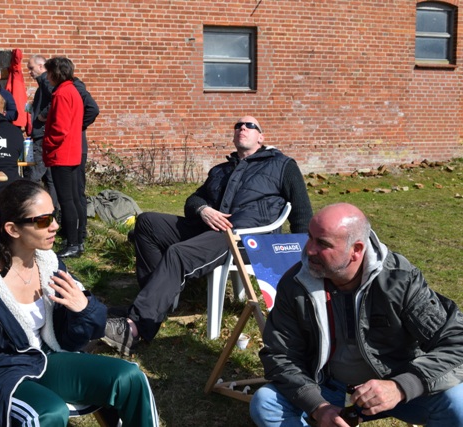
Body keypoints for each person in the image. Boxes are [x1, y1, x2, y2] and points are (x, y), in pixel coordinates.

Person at [0, 179, 159, 427]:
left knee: (129, 377)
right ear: (13, 229)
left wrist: (85, 310)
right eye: (43, 220)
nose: (55, 225)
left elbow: (77, 338)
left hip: (45, 359)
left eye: (54, 215)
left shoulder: (49, 265)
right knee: (48, 413)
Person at [102, 115, 313, 355]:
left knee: (178, 253)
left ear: (261, 137)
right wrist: (203, 209)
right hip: (209, 230)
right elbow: (194, 199)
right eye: (238, 125)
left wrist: (304, 261)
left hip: (244, 238)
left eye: (250, 125)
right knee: (147, 222)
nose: (242, 128)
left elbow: (302, 213)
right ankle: (155, 301)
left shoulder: (282, 165)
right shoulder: (221, 170)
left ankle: (135, 328)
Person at [249, 203, 463, 427]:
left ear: (356, 250)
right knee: (266, 403)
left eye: (323, 243)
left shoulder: (400, 281)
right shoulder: (295, 284)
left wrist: (401, 386)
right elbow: (281, 355)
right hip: (326, 389)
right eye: (310, 237)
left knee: (459, 402)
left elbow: (457, 343)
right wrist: (317, 407)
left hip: (395, 388)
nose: (309, 250)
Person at [42, 56, 85, 258]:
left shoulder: (61, 93)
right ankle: (78, 240)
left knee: (66, 200)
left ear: (55, 73)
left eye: (49, 72)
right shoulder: (72, 90)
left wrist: (48, 144)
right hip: (72, 152)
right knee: (74, 199)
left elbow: (59, 128)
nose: (47, 76)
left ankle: (73, 243)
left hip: (62, 154)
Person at [26, 54, 57, 208]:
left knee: (34, 175)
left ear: (41, 66)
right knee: (50, 178)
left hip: (42, 135)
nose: (30, 72)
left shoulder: (45, 81)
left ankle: (33, 208)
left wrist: (43, 115)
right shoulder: (43, 84)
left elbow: (55, 100)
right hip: (44, 134)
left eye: (31, 68)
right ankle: (53, 210)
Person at [72, 76, 100, 248]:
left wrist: (77, 126)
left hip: (76, 148)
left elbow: (93, 109)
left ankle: (80, 233)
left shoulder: (75, 86)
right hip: (70, 147)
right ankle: (71, 230)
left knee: (76, 192)